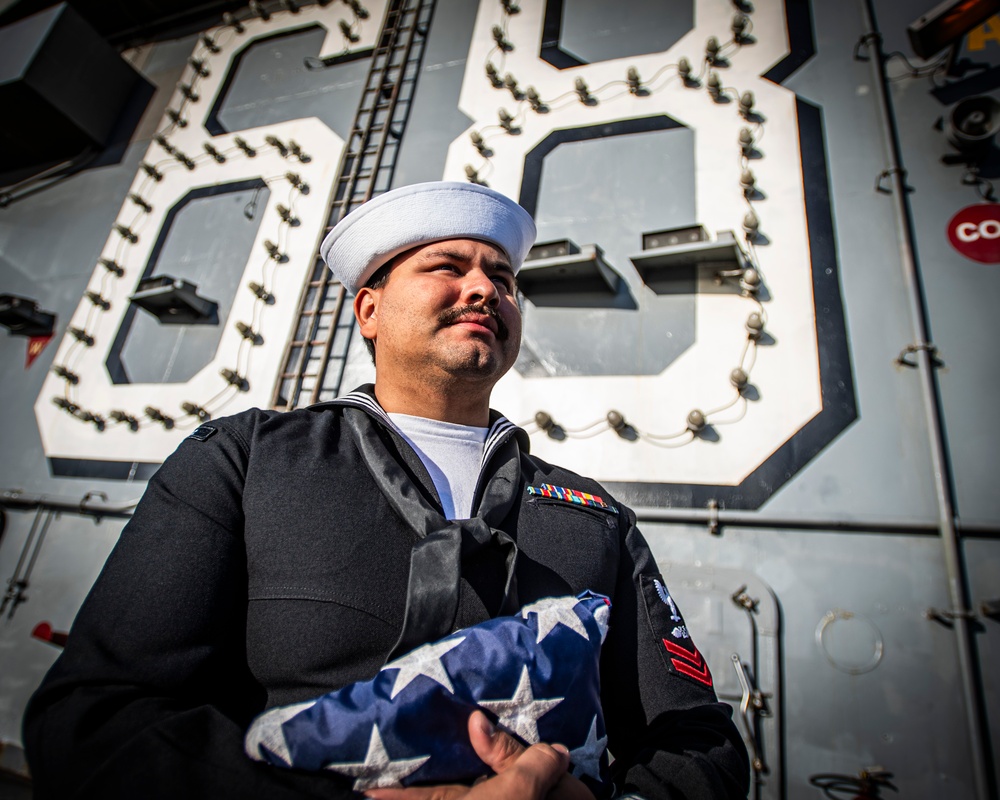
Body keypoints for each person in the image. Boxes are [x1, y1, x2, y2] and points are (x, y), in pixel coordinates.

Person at [23, 182, 750, 799]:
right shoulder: (245, 462)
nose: (484, 289)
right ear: (368, 311)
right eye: (447, 266)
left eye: (502, 278)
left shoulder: (595, 518)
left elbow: (698, 741)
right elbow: (91, 720)